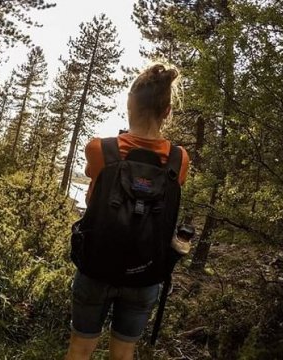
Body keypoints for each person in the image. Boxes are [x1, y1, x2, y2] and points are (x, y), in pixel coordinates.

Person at [65, 63, 189, 360]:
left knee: (80, 350)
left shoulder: (99, 149)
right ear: (168, 111)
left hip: (96, 269)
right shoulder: (178, 159)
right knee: (123, 355)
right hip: (145, 275)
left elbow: (93, 177)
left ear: (128, 103)